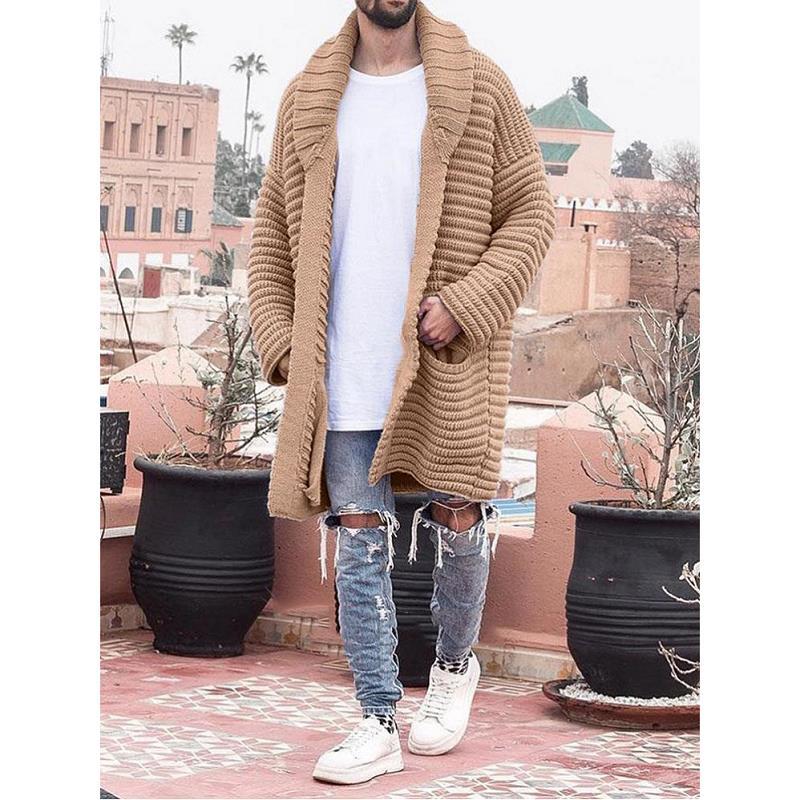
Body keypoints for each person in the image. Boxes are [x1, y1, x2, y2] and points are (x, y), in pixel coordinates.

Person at [247, 0, 554, 785]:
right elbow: (270, 236)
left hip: (444, 355)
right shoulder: (308, 94)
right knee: (358, 539)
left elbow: (531, 215)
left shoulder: (479, 84)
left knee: (459, 516)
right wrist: (285, 345)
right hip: (342, 363)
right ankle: (377, 719)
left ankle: (453, 667)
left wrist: (468, 303)